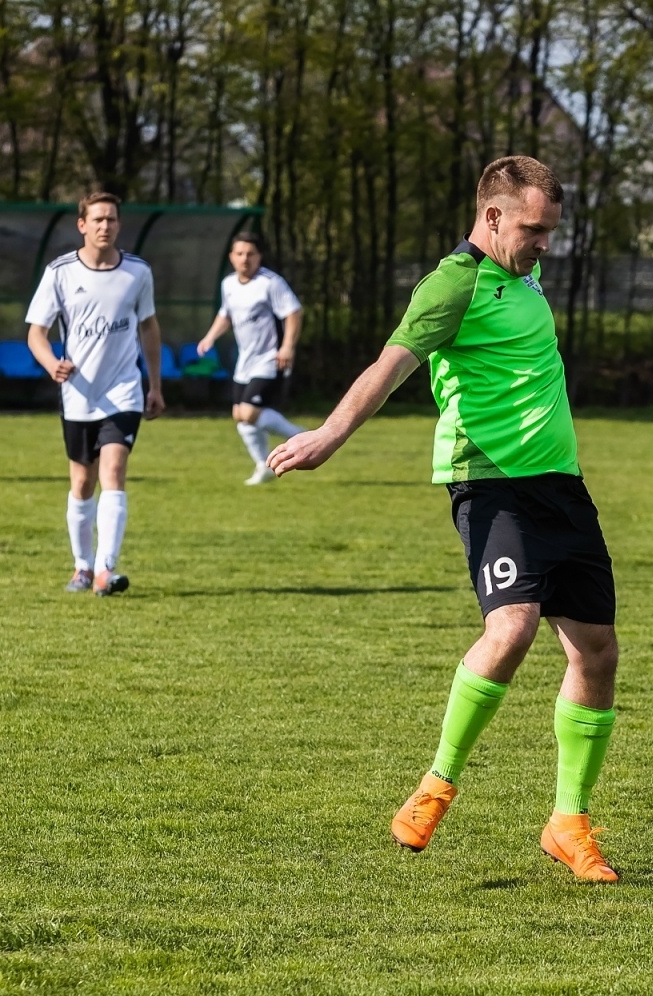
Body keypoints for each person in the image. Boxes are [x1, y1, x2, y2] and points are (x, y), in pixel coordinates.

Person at [268, 157, 621, 882]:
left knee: (596, 652)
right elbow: (392, 363)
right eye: (532, 229)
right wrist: (327, 436)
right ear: (491, 218)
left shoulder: (522, 272)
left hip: (562, 486)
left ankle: (569, 822)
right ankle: (436, 786)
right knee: (514, 626)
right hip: (490, 484)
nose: (545, 243)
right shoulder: (452, 283)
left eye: (551, 230)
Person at [25, 191, 164, 596]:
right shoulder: (60, 272)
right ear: (82, 225)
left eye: (112, 219)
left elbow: (150, 327)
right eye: (98, 219)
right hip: (78, 394)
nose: (106, 226)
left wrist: (154, 384)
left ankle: (105, 570)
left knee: (114, 473)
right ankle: (82, 567)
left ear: (119, 224)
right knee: (82, 483)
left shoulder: (138, 272)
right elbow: (36, 332)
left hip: (124, 391)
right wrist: (52, 364)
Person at [195, 233, 306, 484]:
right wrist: (210, 337)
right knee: (240, 417)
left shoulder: (270, 283)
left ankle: (300, 436)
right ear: (232, 257)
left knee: (249, 412)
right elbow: (226, 315)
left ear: (259, 257)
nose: (245, 259)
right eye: (240, 254)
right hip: (245, 361)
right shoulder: (229, 284)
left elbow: (293, 313)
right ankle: (264, 466)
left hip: (269, 358)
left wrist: (287, 346)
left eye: (251, 254)